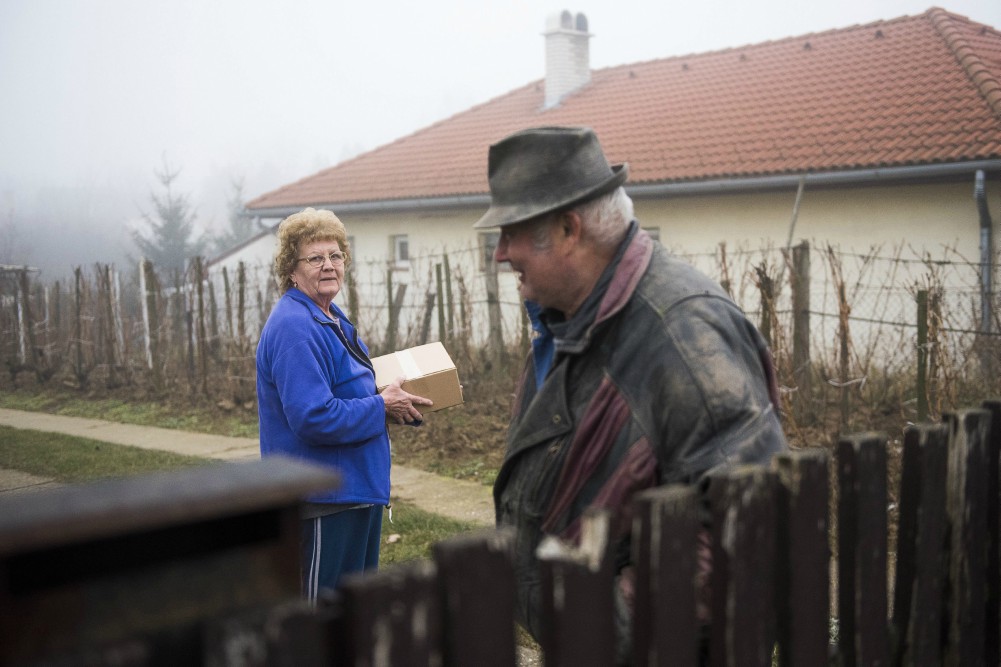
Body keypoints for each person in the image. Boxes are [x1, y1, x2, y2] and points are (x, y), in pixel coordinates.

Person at [473, 127, 788, 659]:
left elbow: (743, 529)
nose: (501, 252)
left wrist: (605, 626)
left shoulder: (681, 334)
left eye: (512, 231)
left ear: (569, 229)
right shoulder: (569, 320)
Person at [256, 207, 432, 603]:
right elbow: (313, 416)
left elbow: (351, 393)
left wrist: (392, 402)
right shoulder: (294, 327)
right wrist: (379, 407)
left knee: (353, 619)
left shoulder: (330, 317)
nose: (329, 265)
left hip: (351, 493)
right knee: (321, 621)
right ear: (291, 269)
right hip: (323, 500)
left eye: (335, 256)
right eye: (315, 258)